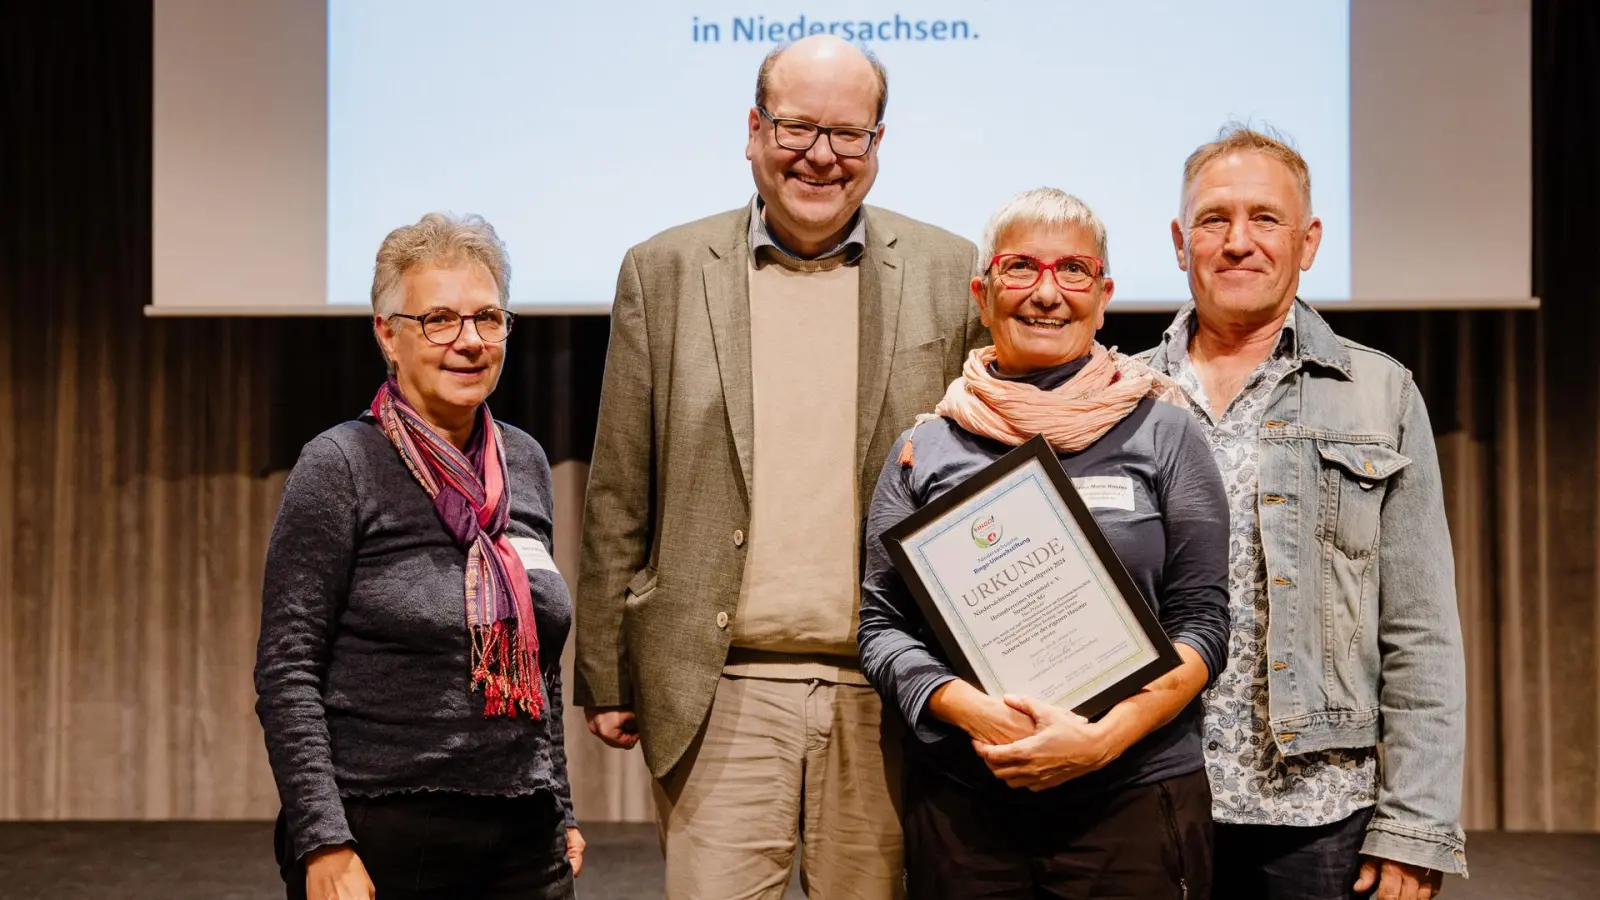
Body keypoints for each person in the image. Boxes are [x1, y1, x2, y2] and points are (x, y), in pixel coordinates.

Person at [574, 35, 986, 900]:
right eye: (799, 128)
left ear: (879, 143)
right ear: (754, 131)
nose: (822, 157)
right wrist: (607, 673)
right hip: (716, 687)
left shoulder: (954, 273)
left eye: (850, 135)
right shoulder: (665, 270)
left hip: (891, 690)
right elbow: (619, 489)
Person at [858, 187, 1230, 899]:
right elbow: (880, 627)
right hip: (968, 804)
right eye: (1020, 268)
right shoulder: (926, 447)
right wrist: (970, 708)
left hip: (1133, 794)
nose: (1046, 293)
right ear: (983, 291)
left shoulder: (1166, 431)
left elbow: (1204, 625)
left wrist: (1103, 738)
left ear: (1105, 292)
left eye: (1074, 271)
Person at [1141, 125, 1468, 900]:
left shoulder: (1378, 394)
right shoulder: (1117, 395)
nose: (1238, 242)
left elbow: (1420, 631)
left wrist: (1414, 823)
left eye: (1266, 218)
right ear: (1181, 241)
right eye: (1215, 219)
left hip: (1315, 816)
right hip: (1143, 800)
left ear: (1308, 241)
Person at [254, 213, 582, 900]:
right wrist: (323, 841)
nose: (468, 342)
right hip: (382, 829)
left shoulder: (521, 461)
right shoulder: (340, 464)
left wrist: (560, 804)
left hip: (524, 832)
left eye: (487, 318)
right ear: (387, 334)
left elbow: (537, 660)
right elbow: (288, 668)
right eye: (439, 319)